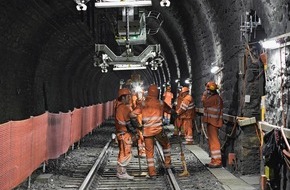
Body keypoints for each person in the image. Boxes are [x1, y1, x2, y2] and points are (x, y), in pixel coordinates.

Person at [131, 84, 172, 179]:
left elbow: (132, 114)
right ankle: (167, 163)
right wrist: (176, 114)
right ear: (157, 93)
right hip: (158, 130)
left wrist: (137, 125)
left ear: (148, 92)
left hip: (147, 131)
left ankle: (152, 173)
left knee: (149, 152)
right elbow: (170, 111)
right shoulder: (161, 103)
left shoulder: (143, 104)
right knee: (166, 145)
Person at [114, 88, 136, 180]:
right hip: (125, 134)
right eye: (128, 96)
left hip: (120, 133)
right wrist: (135, 131)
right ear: (123, 97)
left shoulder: (118, 106)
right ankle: (122, 173)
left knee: (122, 152)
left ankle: (121, 172)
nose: (129, 98)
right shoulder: (124, 108)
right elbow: (128, 122)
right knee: (126, 153)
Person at [201, 81, 223, 168]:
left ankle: (217, 161)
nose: (207, 91)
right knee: (212, 141)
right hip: (212, 121)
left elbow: (204, 102)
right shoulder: (216, 97)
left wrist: (204, 95)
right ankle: (214, 160)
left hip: (213, 122)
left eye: (207, 90)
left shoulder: (214, 98)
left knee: (214, 141)